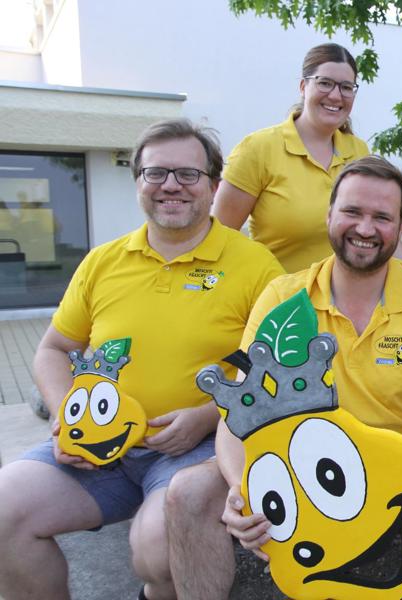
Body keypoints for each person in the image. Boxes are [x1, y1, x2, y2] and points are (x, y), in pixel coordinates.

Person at [165, 156, 402, 599]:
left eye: (382, 217)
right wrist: (243, 487)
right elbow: (236, 418)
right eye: (353, 212)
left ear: (400, 228)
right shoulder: (284, 297)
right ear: (329, 215)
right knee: (186, 492)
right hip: (294, 452)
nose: (365, 227)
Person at [0, 119, 284, 600]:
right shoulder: (103, 261)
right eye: (156, 173)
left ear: (214, 186)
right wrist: (68, 417)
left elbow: (275, 368)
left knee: (154, 550)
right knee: (4, 512)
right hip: (96, 450)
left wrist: (206, 416)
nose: (171, 185)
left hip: (197, 449)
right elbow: (52, 349)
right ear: (138, 183)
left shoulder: (255, 266)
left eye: (188, 174)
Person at [215, 42, 402, 274]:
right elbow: (220, 237)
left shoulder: (358, 151)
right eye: (324, 83)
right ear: (303, 86)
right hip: (280, 301)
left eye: (346, 87)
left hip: (341, 304)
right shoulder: (258, 149)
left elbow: (382, 230)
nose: (335, 95)